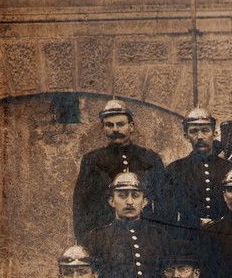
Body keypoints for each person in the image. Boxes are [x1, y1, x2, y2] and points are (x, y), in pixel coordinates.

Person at [72, 98, 169, 241]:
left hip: (146, 236)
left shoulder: (150, 158)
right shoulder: (92, 160)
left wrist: (161, 236)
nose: (115, 129)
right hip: (106, 238)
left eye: (121, 124)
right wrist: (87, 240)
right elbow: (81, 206)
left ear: (131, 126)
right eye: (109, 125)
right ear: (103, 128)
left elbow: (164, 202)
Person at [83, 171, 172, 278]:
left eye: (135, 196)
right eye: (122, 196)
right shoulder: (96, 238)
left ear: (144, 202)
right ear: (111, 201)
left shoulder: (159, 235)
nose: (129, 202)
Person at [168, 107, 232, 229]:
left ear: (215, 133)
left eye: (205, 130)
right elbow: (168, 213)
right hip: (188, 238)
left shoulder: (229, 169)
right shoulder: (174, 170)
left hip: (223, 237)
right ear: (186, 136)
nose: (200, 136)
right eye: (193, 131)